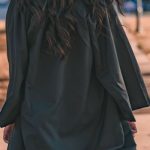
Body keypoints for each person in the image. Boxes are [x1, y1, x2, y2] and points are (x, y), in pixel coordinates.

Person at [0, 0, 150, 149]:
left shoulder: (23, 5)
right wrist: (124, 108)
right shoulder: (96, 4)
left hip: (40, 120)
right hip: (96, 120)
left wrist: (12, 114)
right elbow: (111, 64)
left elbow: (18, 68)